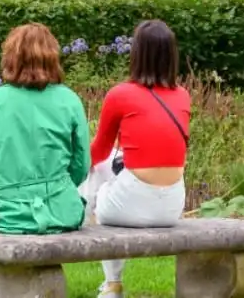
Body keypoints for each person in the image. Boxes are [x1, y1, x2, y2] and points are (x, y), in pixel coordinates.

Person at [85, 19, 190, 298]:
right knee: (112, 168)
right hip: (172, 206)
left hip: (129, 204)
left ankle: (112, 284)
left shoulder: (120, 94)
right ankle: (110, 286)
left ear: (137, 54)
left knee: (97, 172)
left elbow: (98, 152)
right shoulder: (183, 95)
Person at [0, 23, 91, 234]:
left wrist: (9, 175)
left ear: (11, 57)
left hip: (4, 213)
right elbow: (81, 166)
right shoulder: (69, 100)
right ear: (52, 58)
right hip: (60, 212)